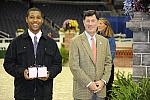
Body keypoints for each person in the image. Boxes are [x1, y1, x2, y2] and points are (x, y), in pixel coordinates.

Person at [3, 7, 62, 100]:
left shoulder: (51, 43)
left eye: (38, 17)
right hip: (22, 94)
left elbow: (58, 64)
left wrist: (49, 73)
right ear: (26, 19)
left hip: (45, 95)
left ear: (42, 20)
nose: (35, 20)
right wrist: (22, 72)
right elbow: (8, 64)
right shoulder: (16, 42)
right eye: (32, 17)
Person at [69, 10, 112, 100]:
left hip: (100, 90)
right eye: (88, 21)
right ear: (83, 22)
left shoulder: (104, 41)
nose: (90, 24)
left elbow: (108, 63)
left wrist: (103, 81)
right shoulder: (75, 41)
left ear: (97, 22)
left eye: (93, 21)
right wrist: (89, 83)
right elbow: (74, 66)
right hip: (82, 91)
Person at [97, 18, 116, 100]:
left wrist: (103, 64)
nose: (98, 25)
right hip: (97, 67)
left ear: (106, 26)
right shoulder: (95, 36)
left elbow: (112, 54)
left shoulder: (110, 39)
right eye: (98, 23)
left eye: (101, 23)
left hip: (107, 67)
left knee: (107, 88)